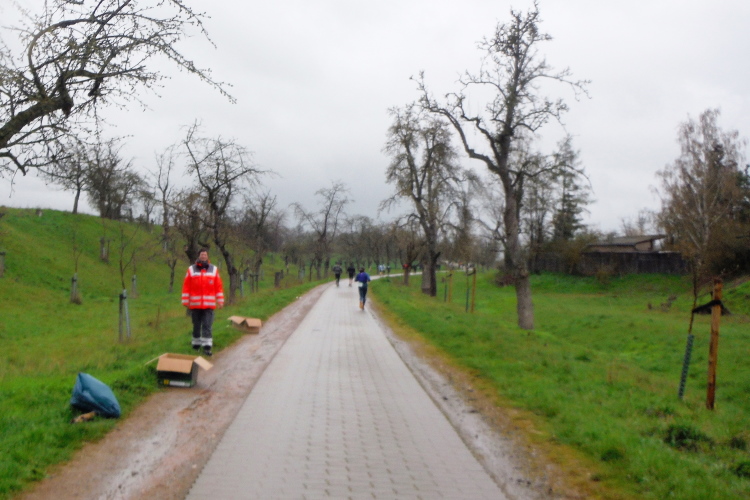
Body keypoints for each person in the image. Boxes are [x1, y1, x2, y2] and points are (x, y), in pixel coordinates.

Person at [182, 248, 224, 356]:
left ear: (207, 256)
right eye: (202, 254)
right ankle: (196, 345)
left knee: (207, 325)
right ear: (199, 256)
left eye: (205, 254)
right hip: (195, 304)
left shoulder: (214, 269)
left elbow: (218, 286)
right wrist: (185, 301)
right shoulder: (191, 269)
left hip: (209, 305)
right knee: (196, 325)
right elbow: (186, 286)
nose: (203, 256)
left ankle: (207, 347)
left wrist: (220, 301)